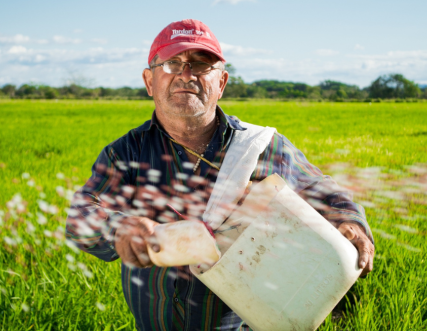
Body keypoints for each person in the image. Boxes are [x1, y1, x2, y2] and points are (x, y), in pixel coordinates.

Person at [66, 19, 374, 331]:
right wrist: (119, 228)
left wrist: (349, 222)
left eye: (201, 64)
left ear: (222, 82)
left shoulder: (259, 147)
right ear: (149, 81)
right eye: (172, 63)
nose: (187, 74)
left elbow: (321, 190)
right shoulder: (127, 153)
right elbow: (80, 216)